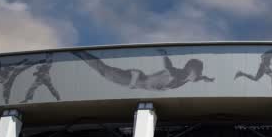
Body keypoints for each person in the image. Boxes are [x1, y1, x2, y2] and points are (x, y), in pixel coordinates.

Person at [72, 49, 215, 91]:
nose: (197, 77)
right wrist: (164, 55)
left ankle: (81, 54)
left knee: (103, 72)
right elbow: (168, 67)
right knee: (103, 70)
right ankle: (80, 53)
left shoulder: (187, 79)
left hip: (138, 83)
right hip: (136, 78)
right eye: (197, 73)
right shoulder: (178, 74)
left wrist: (207, 79)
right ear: (191, 70)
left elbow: (198, 78)